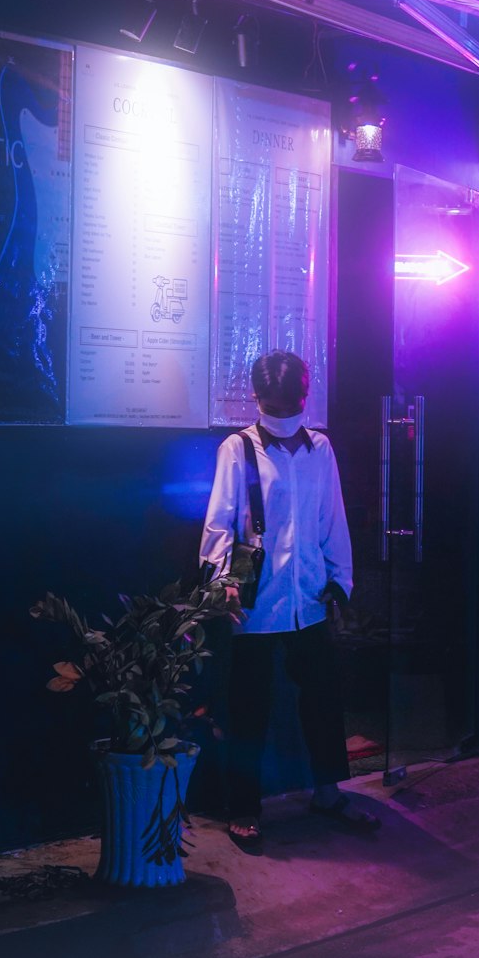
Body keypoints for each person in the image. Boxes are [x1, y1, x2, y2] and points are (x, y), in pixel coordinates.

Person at [199, 349, 380, 852]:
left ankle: (327, 792)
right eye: (274, 405)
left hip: (309, 597)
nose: (283, 414)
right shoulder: (238, 449)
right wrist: (221, 581)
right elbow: (219, 521)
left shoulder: (320, 449)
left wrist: (339, 579)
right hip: (256, 601)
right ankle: (244, 808)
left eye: (291, 403)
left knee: (323, 700)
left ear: (304, 396)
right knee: (248, 707)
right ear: (257, 399)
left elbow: (331, 517)